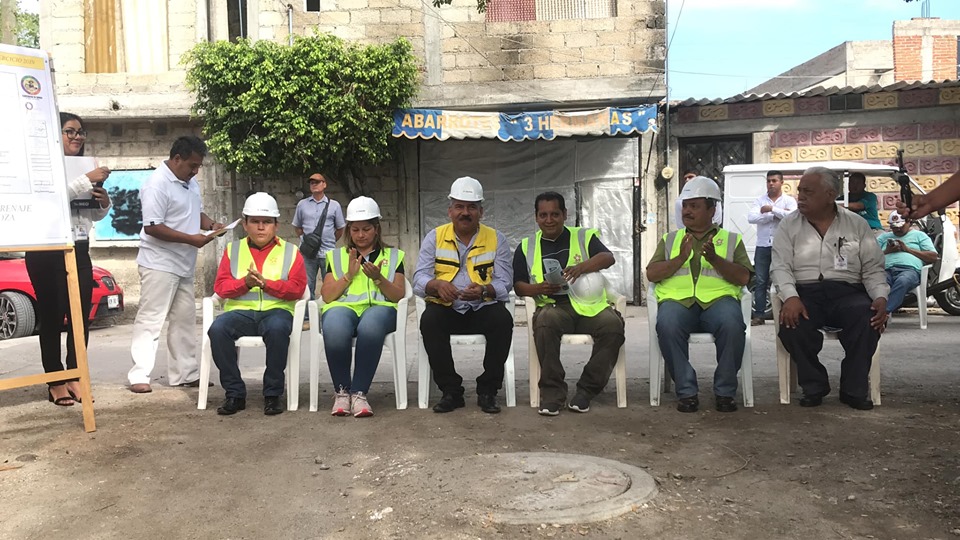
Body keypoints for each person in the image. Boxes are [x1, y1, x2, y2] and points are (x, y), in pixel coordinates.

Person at [772, 166, 889, 410]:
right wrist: (790, 297)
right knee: (792, 326)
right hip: (806, 293)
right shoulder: (788, 225)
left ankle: (853, 389)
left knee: (867, 319)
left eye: (808, 191)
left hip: (847, 291)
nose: (800, 196)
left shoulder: (856, 224)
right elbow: (780, 267)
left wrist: (880, 296)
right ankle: (814, 386)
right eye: (799, 191)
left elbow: (873, 267)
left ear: (830, 194)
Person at [26, 112, 112, 407]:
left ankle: (76, 374)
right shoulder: (40, 166)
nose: (77, 137)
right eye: (70, 131)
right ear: (54, 134)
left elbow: (90, 215)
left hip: (78, 246)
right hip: (46, 249)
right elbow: (47, 204)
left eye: (80, 132)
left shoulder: (86, 167)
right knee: (52, 315)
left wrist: (103, 202)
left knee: (80, 317)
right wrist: (84, 180)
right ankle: (55, 380)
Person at [646, 176, 753, 413]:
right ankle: (686, 391)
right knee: (667, 324)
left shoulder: (731, 240)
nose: (687, 211)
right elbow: (652, 274)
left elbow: (744, 278)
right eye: (685, 205)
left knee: (733, 325)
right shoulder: (670, 239)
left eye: (694, 206)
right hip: (677, 301)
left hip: (718, 301)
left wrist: (716, 259)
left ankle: (724, 392)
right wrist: (680, 259)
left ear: (711, 209)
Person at [513, 192, 624, 416]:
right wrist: (539, 289)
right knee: (544, 322)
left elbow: (608, 257)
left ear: (564, 214)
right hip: (554, 307)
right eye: (543, 215)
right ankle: (553, 394)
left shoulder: (583, 236)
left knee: (613, 326)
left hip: (590, 305)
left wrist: (581, 267)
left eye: (555, 214)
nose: (549, 220)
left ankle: (586, 391)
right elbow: (519, 286)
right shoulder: (526, 246)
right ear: (536, 217)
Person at [127, 136, 224, 394]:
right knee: (151, 319)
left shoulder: (189, 184)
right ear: (176, 158)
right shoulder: (157, 184)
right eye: (192, 165)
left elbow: (194, 213)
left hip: (184, 263)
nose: (195, 171)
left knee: (184, 320)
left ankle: (185, 373)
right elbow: (153, 227)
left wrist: (211, 225)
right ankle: (139, 374)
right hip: (159, 262)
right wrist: (192, 239)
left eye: (198, 167)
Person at [413, 176, 514, 414]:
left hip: (481, 307)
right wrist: (436, 285)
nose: (465, 212)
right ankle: (451, 391)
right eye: (459, 206)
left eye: (471, 207)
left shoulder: (496, 238)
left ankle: (488, 390)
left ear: (481, 211)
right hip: (446, 307)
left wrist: (485, 290)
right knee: (429, 321)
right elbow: (418, 279)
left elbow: (505, 282)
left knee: (503, 320)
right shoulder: (434, 237)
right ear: (450, 211)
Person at [207, 192, 307, 416]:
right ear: (245, 224)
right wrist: (245, 283)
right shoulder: (233, 250)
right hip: (240, 313)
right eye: (255, 222)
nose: (261, 227)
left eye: (266, 222)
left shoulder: (291, 252)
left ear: (275, 225)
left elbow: (297, 289)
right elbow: (221, 288)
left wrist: (266, 285)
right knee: (217, 329)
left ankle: (272, 394)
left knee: (278, 330)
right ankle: (234, 393)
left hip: (277, 311)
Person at [320, 196, 406, 418]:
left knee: (370, 326)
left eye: (366, 229)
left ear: (376, 229)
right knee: (335, 327)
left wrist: (379, 278)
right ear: (349, 230)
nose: (360, 235)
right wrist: (349, 274)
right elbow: (328, 296)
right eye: (355, 229)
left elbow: (398, 295)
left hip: (380, 309)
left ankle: (359, 394)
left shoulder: (394, 256)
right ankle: (342, 392)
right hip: (344, 308)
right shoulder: (336, 256)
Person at [292, 173, 345, 329]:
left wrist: (330, 241)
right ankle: (308, 317)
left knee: (331, 284)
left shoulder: (334, 205)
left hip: (328, 252)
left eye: (317, 182)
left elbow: (340, 228)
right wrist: (306, 241)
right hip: (308, 253)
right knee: (308, 284)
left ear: (324, 184)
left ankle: (329, 314)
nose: (314, 184)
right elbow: (297, 226)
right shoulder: (302, 205)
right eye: (311, 182)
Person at [746, 170, 797, 326]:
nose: (771, 183)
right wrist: (772, 215)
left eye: (774, 180)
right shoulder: (760, 200)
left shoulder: (788, 200)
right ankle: (759, 315)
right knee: (761, 281)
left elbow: (793, 216)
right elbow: (751, 217)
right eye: (768, 181)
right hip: (762, 245)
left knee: (782, 279)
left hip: (781, 246)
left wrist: (772, 209)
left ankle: (782, 314)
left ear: (782, 182)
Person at [876, 211, 937, 315]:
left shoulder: (919, 235)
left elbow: (933, 257)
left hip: (909, 270)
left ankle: (884, 312)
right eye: (894, 227)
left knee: (903, 281)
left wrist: (907, 249)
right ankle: (876, 312)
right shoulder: (883, 237)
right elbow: (869, 257)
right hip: (885, 270)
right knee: (878, 283)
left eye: (900, 226)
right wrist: (887, 251)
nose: (898, 229)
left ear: (909, 222)